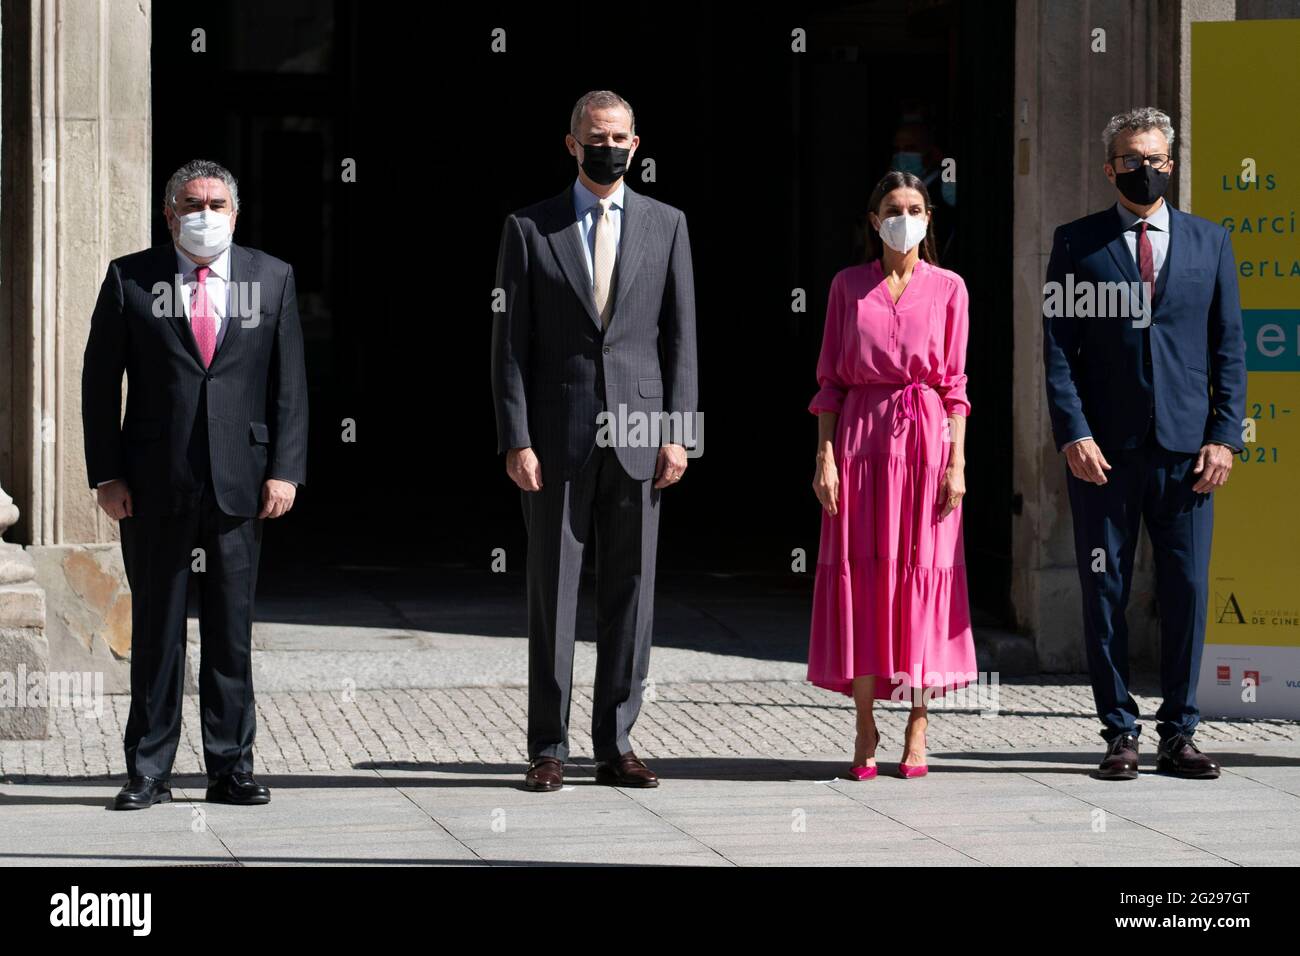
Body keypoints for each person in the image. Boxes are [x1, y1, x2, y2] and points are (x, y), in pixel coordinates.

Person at [82, 159, 308, 809]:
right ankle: (148, 769)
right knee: (156, 629)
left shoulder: (272, 278)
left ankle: (230, 767)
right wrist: (106, 473)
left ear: (235, 214)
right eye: (190, 203)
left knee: (231, 631)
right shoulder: (131, 278)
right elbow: (99, 383)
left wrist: (286, 470)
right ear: (168, 213)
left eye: (215, 203)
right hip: (154, 485)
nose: (203, 213)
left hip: (240, 483)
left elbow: (289, 384)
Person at [492, 90, 698, 792]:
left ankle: (616, 743)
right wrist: (515, 437)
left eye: (620, 135)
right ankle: (546, 746)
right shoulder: (529, 228)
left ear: (636, 144)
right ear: (572, 143)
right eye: (596, 135)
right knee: (553, 593)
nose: (609, 145)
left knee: (632, 591)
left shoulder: (667, 225)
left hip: (642, 432)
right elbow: (509, 346)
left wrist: (680, 433)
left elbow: (681, 338)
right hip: (558, 436)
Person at [1042, 107, 1247, 780]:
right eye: (1132, 158)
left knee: (1186, 590)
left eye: (1157, 158)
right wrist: (1073, 430)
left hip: (1189, 456)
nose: (1146, 169)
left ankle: (1180, 733)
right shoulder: (1077, 243)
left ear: (1173, 164)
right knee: (1106, 590)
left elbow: (1230, 351)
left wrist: (1224, 437)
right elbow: (1058, 350)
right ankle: (1119, 732)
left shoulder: (1210, 243)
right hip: (1103, 456)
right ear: (1110, 167)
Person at [808, 170, 976, 780]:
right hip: (859, 442)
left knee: (922, 579)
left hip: (927, 441)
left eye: (916, 207)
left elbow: (955, 387)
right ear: (874, 220)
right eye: (893, 207)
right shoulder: (846, 286)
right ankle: (864, 726)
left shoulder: (950, 288)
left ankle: (918, 725)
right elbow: (829, 382)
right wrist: (824, 458)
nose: (905, 216)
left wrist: (957, 463)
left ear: (928, 217)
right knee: (863, 578)